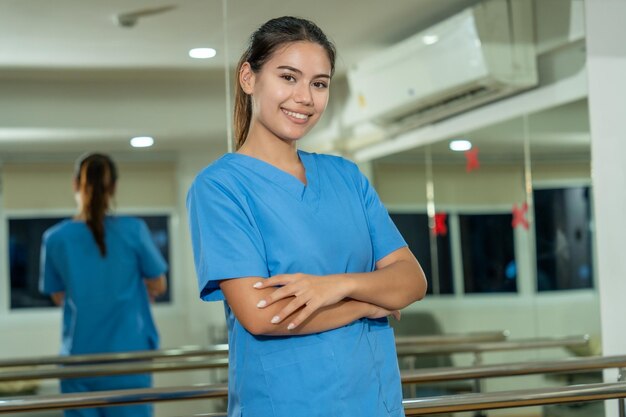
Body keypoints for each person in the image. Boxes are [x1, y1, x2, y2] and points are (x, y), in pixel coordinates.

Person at [187, 16, 427, 417]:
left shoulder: (346, 176)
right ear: (249, 77)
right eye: (288, 77)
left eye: (319, 83)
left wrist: (335, 286)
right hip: (284, 403)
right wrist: (368, 303)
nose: (305, 97)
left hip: (374, 400)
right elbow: (263, 315)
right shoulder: (220, 186)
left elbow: (411, 281)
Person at [39, 152, 168, 417]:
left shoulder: (55, 238)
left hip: (79, 361)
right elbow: (158, 284)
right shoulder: (133, 230)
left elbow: (58, 295)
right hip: (127, 360)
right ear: (114, 187)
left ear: (76, 184)